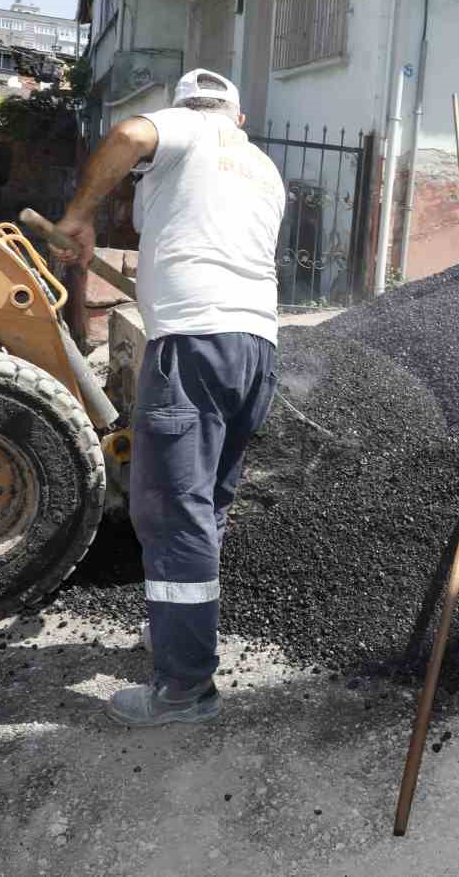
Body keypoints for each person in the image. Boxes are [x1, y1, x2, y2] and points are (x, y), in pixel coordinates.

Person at [52, 69, 285, 728]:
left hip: (192, 347)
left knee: (171, 512)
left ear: (189, 111)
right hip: (255, 349)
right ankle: (186, 637)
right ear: (240, 117)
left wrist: (77, 217)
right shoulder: (262, 167)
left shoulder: (186, 128)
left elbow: (128, 133)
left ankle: (184, 689)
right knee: (205, 506)